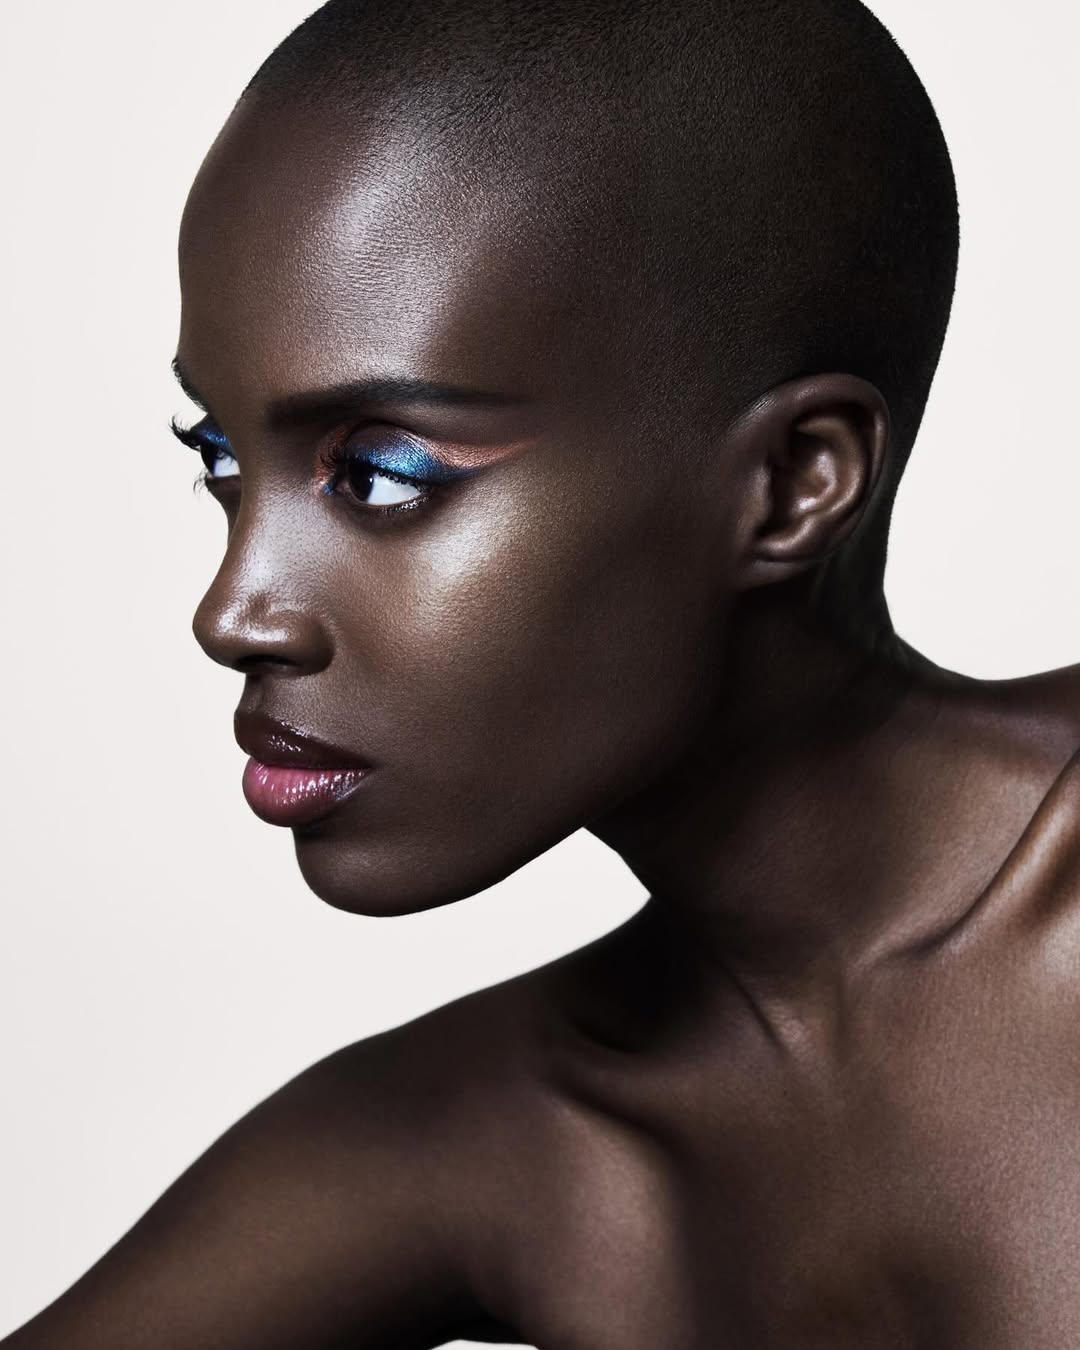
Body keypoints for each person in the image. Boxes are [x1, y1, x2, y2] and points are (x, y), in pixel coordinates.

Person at [5, 0, 1079, 1345]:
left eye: (381, 474)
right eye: (224, 461)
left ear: (795, 481)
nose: (237, 612)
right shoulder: (492, 1142)